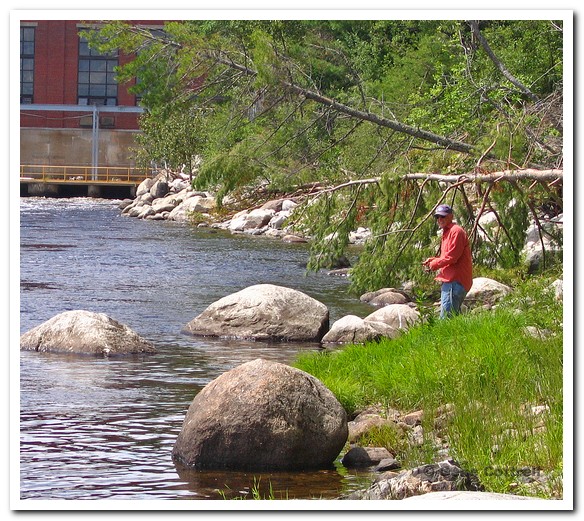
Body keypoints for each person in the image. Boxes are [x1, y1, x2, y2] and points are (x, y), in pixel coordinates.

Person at [422, 204, 473, 319]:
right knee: (453, 319)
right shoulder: (447, 232)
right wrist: (434, 259)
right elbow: (449, 255)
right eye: (437, 217)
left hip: (455, 282)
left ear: (451, 216)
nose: (440, 219)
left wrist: (435, 264)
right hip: (451, 282)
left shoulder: (456, 232)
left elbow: (452, 257)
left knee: (445, 320)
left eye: (443, 217)